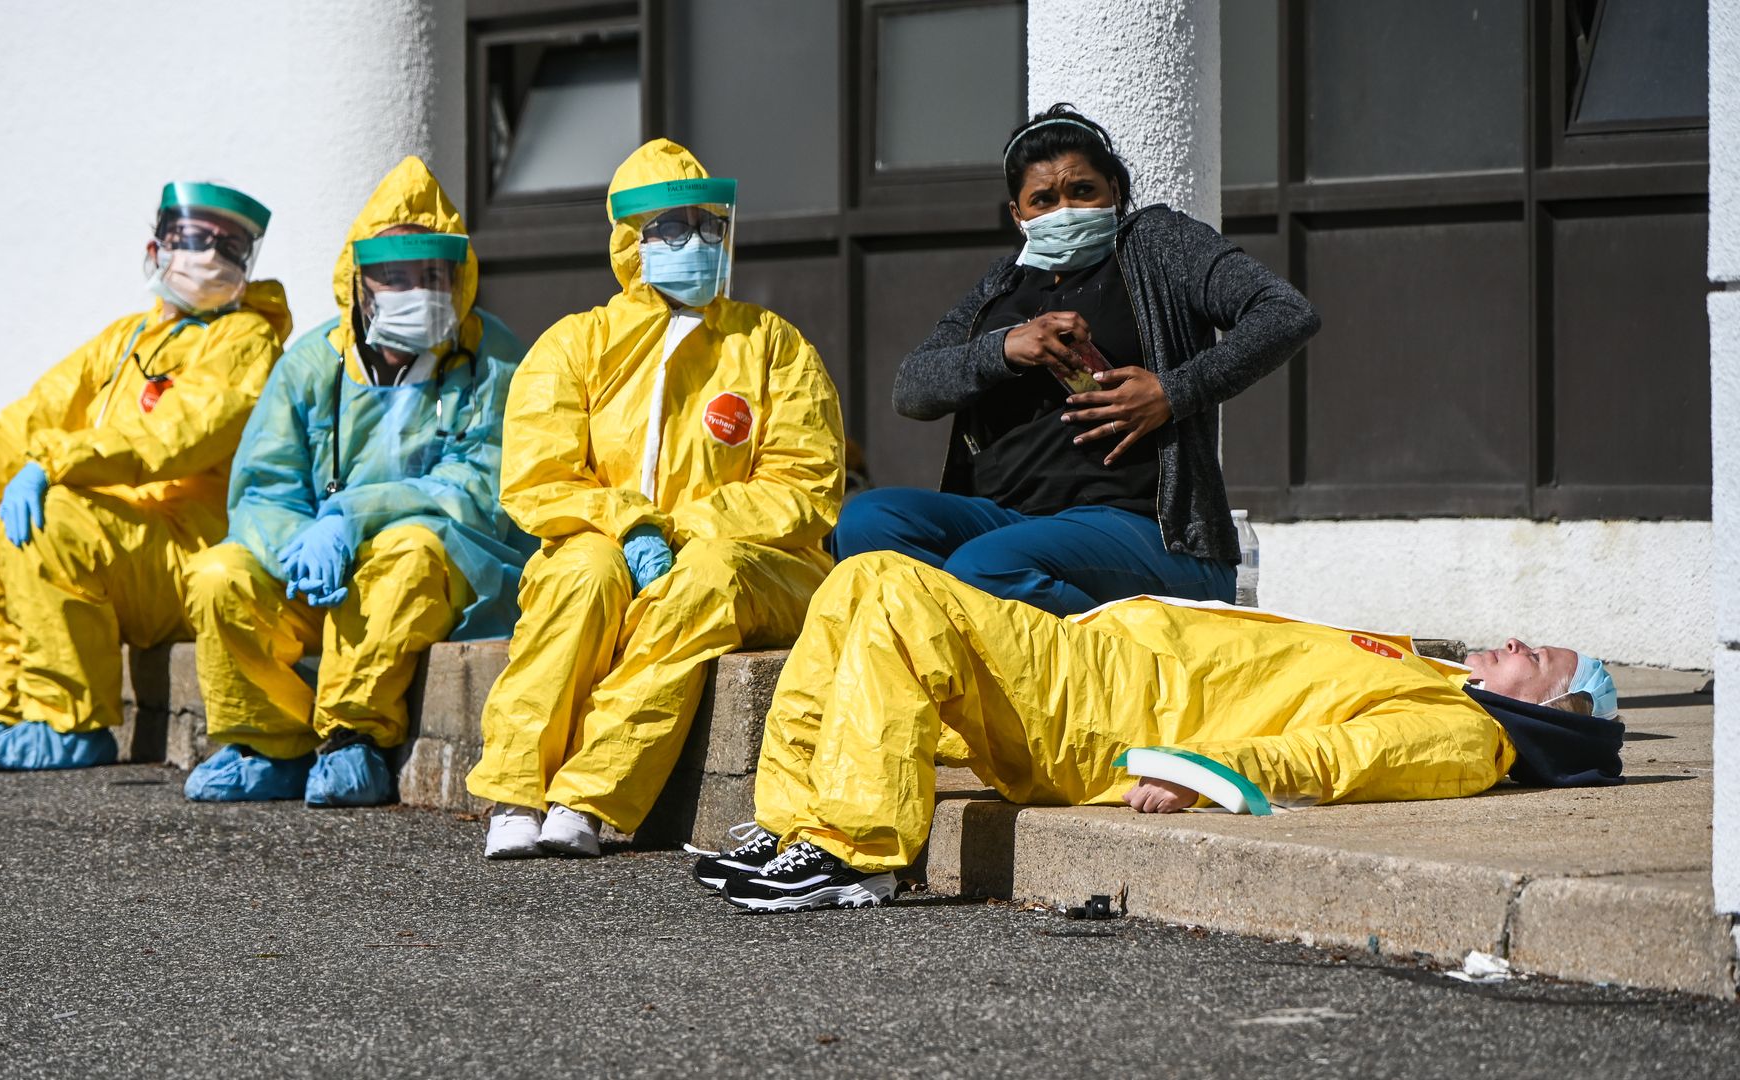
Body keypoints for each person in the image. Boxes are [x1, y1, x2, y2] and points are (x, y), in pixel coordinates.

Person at [694, 552, 1623, 912]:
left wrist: (1205, 772)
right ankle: (796, 821)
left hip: (1107, 710)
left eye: (1539, 658)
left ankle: (853, 851)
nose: (1517, 643)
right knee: (857, 580)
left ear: (1552, 713)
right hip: (1093, 664)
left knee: (895, 588)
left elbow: (1330, 758)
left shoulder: (1463, 732)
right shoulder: (1426, 669)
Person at [466, 139, 845, 858]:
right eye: (671, 228)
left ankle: (588, 793)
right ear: (628, 243)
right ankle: (514, 792)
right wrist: (628, 524)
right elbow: (537, 478)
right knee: (582, 576)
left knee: (706, 579)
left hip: (761, 565)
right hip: (606, 544)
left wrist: (680, 529)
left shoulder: (772, 346)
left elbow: (804, 487)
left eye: (708, 226)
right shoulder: (575, 345)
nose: (696, 242)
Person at [833, 104, 1319, 615]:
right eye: (1042, 200)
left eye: (1081, 191)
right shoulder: (1002, 287)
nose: (1063, 209)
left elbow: (1286, 312)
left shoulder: (1159, 245)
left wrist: (1171, 393)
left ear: (1114, 189)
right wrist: (1004, 347)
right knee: (866, 522)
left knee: (985, 569)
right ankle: (975, 634)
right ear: (1018, 215)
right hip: (1009, 521)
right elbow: (910, 389)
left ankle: (1096, 658)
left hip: (1144, 531)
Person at [0, 183, 291, 770]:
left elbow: (175, 438)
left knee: (49, 520)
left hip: (184, 549)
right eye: (194, 238)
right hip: (118, 546)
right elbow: (24, 427)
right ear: (156, 247)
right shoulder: (125, 339)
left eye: (230, 246)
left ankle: (70, 723)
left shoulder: (245, 340)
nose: (209, 257)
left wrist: (52, 465)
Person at [180, 156, 529, 808]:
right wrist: (299, 542)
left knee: (411, 552)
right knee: (221, 575)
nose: (415, 292)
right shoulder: (315, 361)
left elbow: (478, 488)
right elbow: (265, 485)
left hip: (437, 572)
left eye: (431, 276)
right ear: (359, 283)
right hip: (321, 567)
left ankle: (352, 738)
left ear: (459, 278)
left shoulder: (495, 358)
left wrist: (352, 517)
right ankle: (267, 744)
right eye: (394, 277)